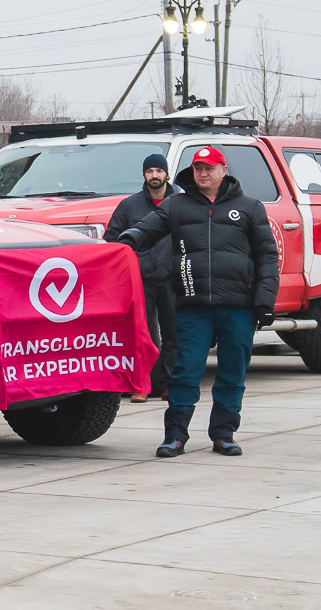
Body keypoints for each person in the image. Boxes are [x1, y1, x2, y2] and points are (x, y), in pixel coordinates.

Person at [121, 143, 280, 457]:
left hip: (239, 307)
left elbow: (267, 256)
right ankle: (175, 437)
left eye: (209, 167)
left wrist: (264, 300)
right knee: (186, 372)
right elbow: (146, 230)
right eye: (198, 168)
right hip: (193, 307)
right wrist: (127, 240)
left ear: (223, 170)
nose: (203, 173)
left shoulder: (250, 207)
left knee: (232, 373)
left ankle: (224, 434)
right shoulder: (177, 206)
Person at [104, 153, 177, 400]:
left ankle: (168, 383)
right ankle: (142, 385)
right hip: (140, 280)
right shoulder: (129, 206)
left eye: (159, 170)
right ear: (144, 175)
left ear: (167, 173)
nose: (154, 175)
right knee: (141, 334)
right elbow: (112, 240)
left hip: (173, 279)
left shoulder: (182, 203)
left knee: (173, 333)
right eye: (149, 171)